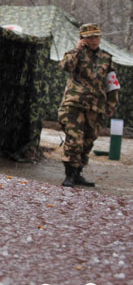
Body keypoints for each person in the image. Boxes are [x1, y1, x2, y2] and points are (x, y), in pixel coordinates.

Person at [57, 23, 121, 188]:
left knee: (88, 141)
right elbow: (65, 66)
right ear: (83, 39)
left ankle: (78, 173)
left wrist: (112, 103)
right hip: (74, 104)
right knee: (74, 140)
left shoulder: (106, 57)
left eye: (97, 36)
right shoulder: (74, 54)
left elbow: (112, 83)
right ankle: (69, 175)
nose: (94, 40)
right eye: (90, 37)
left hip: (95, 107)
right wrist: (77, 50)